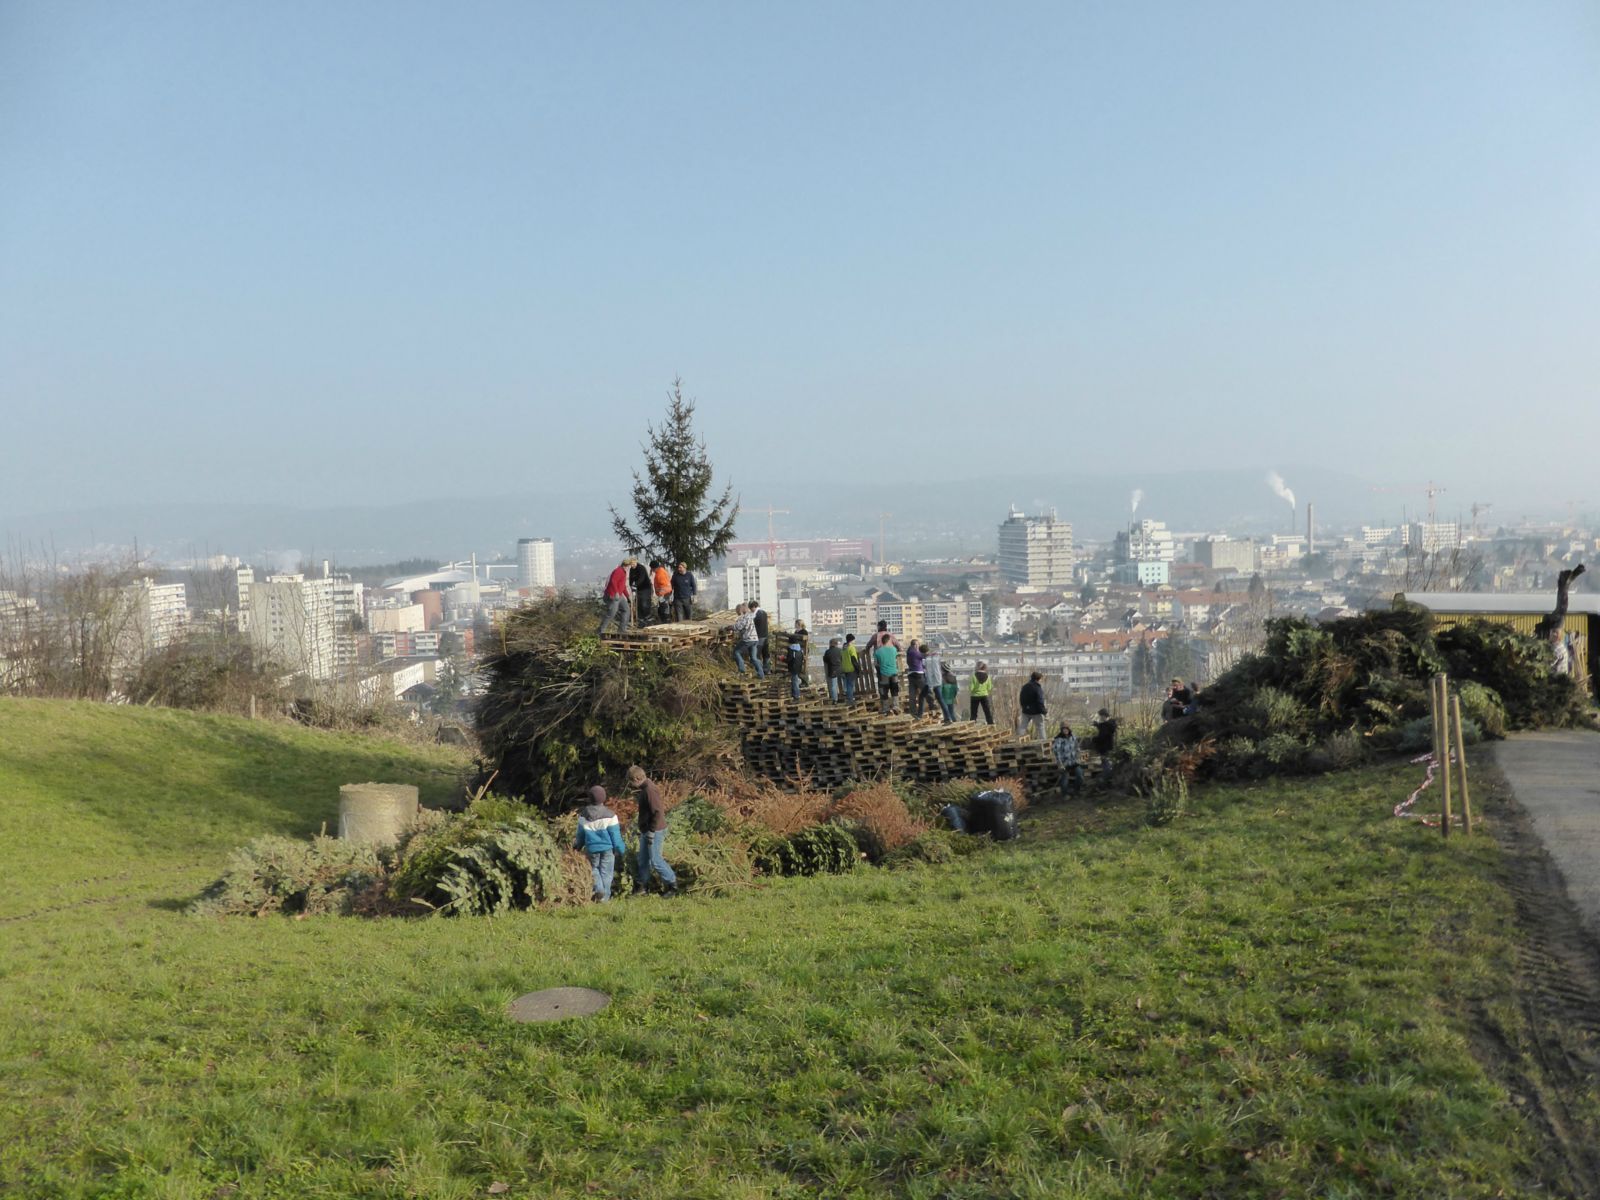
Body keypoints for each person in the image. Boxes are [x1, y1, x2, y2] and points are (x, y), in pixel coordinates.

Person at [629, 765, 677, 896]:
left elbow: (658, 812)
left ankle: (672, 885)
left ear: (637, 778)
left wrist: (651, 831)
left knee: (656, 860)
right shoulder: (645, 789)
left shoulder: (650, 790)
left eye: (631, 781)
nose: (631, 785)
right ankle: (642, 887)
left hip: (655, 830)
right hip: (647, 830)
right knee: (643, 859)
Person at [573, 785, 627, 901]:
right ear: (604, 798)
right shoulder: (611, 815)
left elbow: (580, 836)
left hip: (591, 849)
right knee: (606, 873)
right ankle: (604, 899)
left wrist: (577, 847)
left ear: (590, 798)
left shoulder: (583, 815)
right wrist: (622, 850)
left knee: (593, 869)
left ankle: (598, 889)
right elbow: (616, 837)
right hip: (608, 850)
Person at [598, 559, 632, 636]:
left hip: (619, 595)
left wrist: (627, 596)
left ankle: (621, 630)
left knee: (626, 610)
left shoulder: (624, 572)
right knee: (612, 613)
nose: (629, 568)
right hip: (613, 595)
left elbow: (622, 586)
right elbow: (613, 581)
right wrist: (616, 592)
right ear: (626, 565)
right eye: (629, 566)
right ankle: (600, 630)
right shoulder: (618, 571)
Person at [729, 604, 765, 677]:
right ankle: (761, 675)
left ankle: (742, 670)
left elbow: (739, 627)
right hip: (755, 639)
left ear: (740, 610)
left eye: (737, 611)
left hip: (748, 639)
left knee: (736, 652)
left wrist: (729, 627)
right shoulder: (750, 616)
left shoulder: (745, 617)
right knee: (754, 658)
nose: (737, 613)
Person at [1051, 724, 1086, 795]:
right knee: (1064, 780)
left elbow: (1077, 747)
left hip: (1074, 761)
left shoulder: (1073, 737)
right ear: (1061, 730)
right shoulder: (1059, 739)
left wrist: (1078, 756)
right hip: (1064, 763)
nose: (1065, 730)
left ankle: (1076, 791)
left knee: (1080, 776)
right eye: (1063, 729)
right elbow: (1056, 752)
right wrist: (1060, 764)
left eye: (1066, 729)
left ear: (1069, 729)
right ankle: (1065, 794)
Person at [874, 637, 901, 714]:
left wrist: (879, 670)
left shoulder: (877, 652)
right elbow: (896, 658)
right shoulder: (893, 649)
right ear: (888, 641)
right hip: (894, 673)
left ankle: (885, 709)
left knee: (884, 691)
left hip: (883, 674)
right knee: (894, 690)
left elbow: (876, 664)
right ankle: (896, 706)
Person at [1018, 671, 1048, 740]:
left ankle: (1018, 741)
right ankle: (1044, 742)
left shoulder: (1025, 686)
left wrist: (1024, 707)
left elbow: (1021, 699)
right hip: (1036, 712)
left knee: (1023, 726)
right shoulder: (1037, 688)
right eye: (1041, 679)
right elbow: (1040, 702)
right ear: (1038, 679)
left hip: (1025, 711)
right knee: (1040, 727)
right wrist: (1044, 712)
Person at [1091, 708, 1119, 776]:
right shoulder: (1109, 724)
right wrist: (1097, 725)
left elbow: (1102, 736)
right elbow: (1104, 728)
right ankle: (1107, 776)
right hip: (1108, 746)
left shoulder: (1106, 725)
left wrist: (1093, 739)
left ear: (1104, 716)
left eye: (1100, 716)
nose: (1100, 717)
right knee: (1106, 762)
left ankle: (1106, 777)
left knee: (1105, 763)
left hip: (1104, 747)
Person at [919, 644, 943, 719]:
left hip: (930, 682)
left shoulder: (926, 660)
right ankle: (936, 711)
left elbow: (928, 672)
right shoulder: (933, 656)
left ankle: (935, 711)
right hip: (935, 681)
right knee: (935, 697)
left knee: (932, 697)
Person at [905, 640, 928, 716]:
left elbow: (918, 662)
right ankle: (931, 706)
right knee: (925, 691)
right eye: (918, 644)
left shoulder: (909, 652)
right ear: (915, 645)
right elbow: (924, 656)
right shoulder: (914, 652)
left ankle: (913, 711)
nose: (919, 646)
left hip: (911, 674)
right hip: (918, 674)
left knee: (912, 694)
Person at [630, 559, 654, 626]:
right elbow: (631, 579)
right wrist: (631, 585)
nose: (632, 565)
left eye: (633, 564)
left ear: (636, 562)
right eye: (631, 564)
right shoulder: (632, 569)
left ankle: (648, 620)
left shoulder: (641, 568)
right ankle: (641, 622)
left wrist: (635, 585)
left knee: (644, 604)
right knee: (639, 605)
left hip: (645, 588)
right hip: (638, 589)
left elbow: (642, 578)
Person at [839, 633, 860, 703]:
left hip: (845, 669)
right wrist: (858, 669)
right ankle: (850, 700)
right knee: (850, 685)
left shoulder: (843, 648)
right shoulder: (851, 648)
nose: (854, 641)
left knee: (848, 684)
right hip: (851, 668)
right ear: (851, 640)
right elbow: (854, 659)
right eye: (854, 640)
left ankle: (849, 698)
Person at [823, 637, 844, 703]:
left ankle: (835, 699)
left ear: (830, 644)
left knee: (833, 685)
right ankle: (845, 695)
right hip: (841, 669)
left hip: (832, 670)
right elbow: (843, 659)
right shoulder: (840, 651)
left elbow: (825, 660)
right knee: (845, 682)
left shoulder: (828, 652)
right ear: (836, 644)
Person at [753, 604, 771, 671]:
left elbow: (753, 624)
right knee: (766, 654)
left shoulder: (757, 614)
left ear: (754, 607)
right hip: (766, 636)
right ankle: (767, 670)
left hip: (760, 637)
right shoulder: (764, 613)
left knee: (757, 655)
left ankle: (760, 670)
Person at [792, 619, 811, 684]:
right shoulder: (796, 631)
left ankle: (805, 681)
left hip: (803, 650)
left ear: (799, 624)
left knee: (803, 665)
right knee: (798, 665)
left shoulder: (804, 631)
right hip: (797, 650)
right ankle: (801, 681)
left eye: (796, 624)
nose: (795, 625)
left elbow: (805, 641)